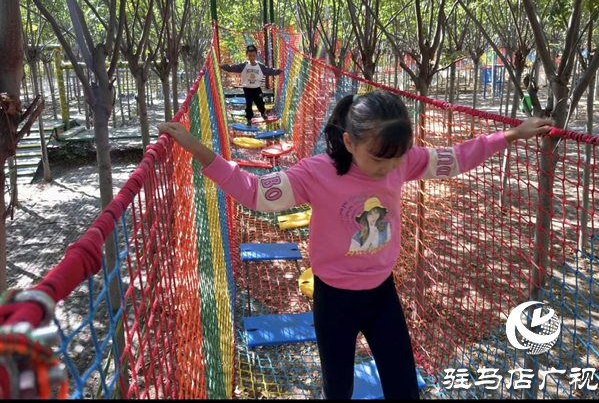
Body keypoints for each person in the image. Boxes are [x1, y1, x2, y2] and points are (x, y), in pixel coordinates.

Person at [157, 90, 553, 400]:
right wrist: (200, 151)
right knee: (338, 388)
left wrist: (510, 135)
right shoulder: (317, 173)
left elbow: (454, 158)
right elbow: (257, 192)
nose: (389, 168)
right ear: (348, 141)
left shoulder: (402, 160)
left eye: (396, 159)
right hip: (334, 299)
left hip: (382, 293)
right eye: (379, 159)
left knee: (403, 387)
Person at [220, 44, 283, 126]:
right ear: (247, 56)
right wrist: (224, 67)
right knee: (249, 103)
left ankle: (263, 113)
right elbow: (233, 68)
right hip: (247, 88)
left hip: (256, 88)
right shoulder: (244, 65)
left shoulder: (260, 66)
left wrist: (279, 71)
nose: (252, 58)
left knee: (260, 102)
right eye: (250, 56)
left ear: (256, 56)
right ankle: (249, 119)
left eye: (253, 56)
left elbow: (269, 71)